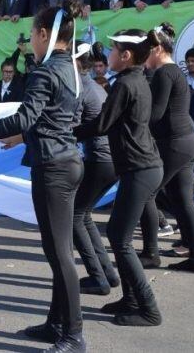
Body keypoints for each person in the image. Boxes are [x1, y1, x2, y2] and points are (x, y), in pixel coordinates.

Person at [0, 0, 87, 352]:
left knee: (59, 253)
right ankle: (56, 323)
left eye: (32, 36)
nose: (31, 42)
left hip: (53, 167)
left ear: (44, 34)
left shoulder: (44, 72)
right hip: (67, 160)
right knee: (59, 249)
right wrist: (21, 136)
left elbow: (25, 117)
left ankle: (74, 336)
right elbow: (58, 118)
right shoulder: (71, 68)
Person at [74, 28, 164, 327]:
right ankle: (130, 299)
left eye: (112, 51)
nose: (107, 56)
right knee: (116, 233)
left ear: (125, 56)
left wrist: (65, 132)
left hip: (141, 168)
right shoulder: (134, 79)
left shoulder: (126, 83)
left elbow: (100, 124)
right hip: (139, 166)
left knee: (120, 239)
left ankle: (148, 308)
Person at [142, 24, 194, 273]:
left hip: (174, 143)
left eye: (147, 50)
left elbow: (155, 114)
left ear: (158, 49)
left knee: (146, 194)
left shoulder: (164, 74)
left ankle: (151, 253)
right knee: (182, 199)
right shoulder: (174, 72)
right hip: (186, 141)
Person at [71, 44, 119, 296]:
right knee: (84, 214)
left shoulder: (81, 88)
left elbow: (72, 123)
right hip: (108, 160)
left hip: (99, 159)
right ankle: (107, 274)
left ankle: (97, 277)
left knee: (74, 217)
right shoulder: (96, 87)